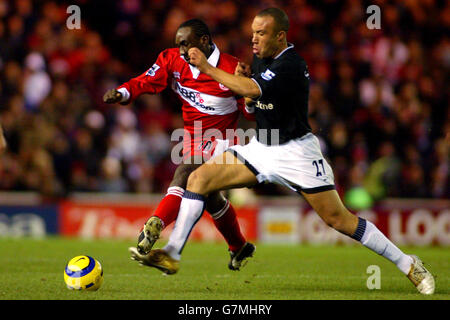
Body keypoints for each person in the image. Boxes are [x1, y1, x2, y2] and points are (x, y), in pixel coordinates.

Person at [130, 8, 435, 295]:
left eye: (261, 33)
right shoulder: (260, 59)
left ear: (280, 36)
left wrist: (210, 69)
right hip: (263, 147)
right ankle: (171, 253)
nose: (254, 38)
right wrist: (247, 95)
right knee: (198, 179)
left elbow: (252, 90)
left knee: (338, 219)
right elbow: (254, 104)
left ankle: (407, 263)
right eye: (253, 32)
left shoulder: (291, 64)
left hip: (296, 153)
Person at [104, 19, 256, 272]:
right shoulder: (172, 60)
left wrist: (249, 97)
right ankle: (238, 246)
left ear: (205, 41)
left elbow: (250, 114)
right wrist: (123, 92)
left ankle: (154, 225)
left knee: (185, 173)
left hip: (223, 139)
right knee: (210, 198)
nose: (182, 50)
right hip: (193, 137)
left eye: (186, 44)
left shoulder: (231, 68)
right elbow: (147, 80)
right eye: (179, 45)